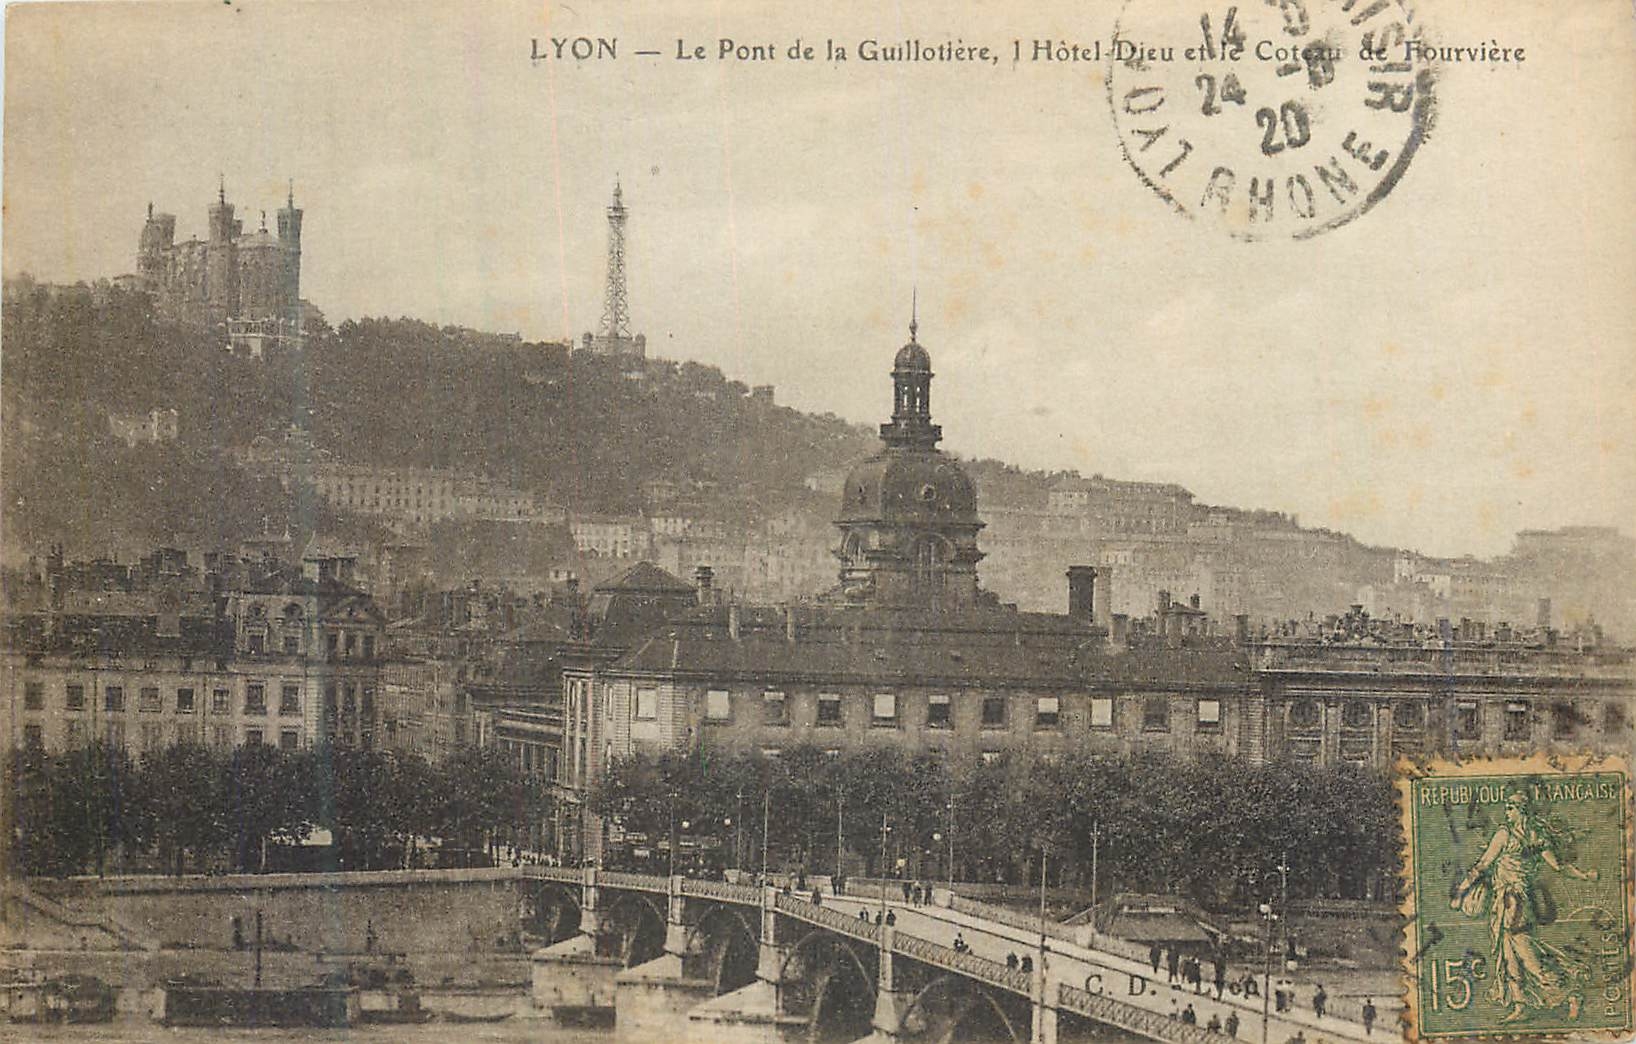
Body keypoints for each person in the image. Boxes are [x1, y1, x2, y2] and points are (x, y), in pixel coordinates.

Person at [1450, 786, 1596, 1023]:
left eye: (1510, 808)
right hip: (1510, 901)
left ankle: (1569, 993)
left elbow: (1483, 865)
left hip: (1513, 903)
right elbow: (1558, 866)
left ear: (1521, 811)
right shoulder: (1536, 836)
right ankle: (1520, 1006)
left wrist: (1460, 892)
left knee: (1527, 955)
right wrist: (1584, 875)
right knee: (1509, 954)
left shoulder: (1505, 835)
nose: (1506, 811)